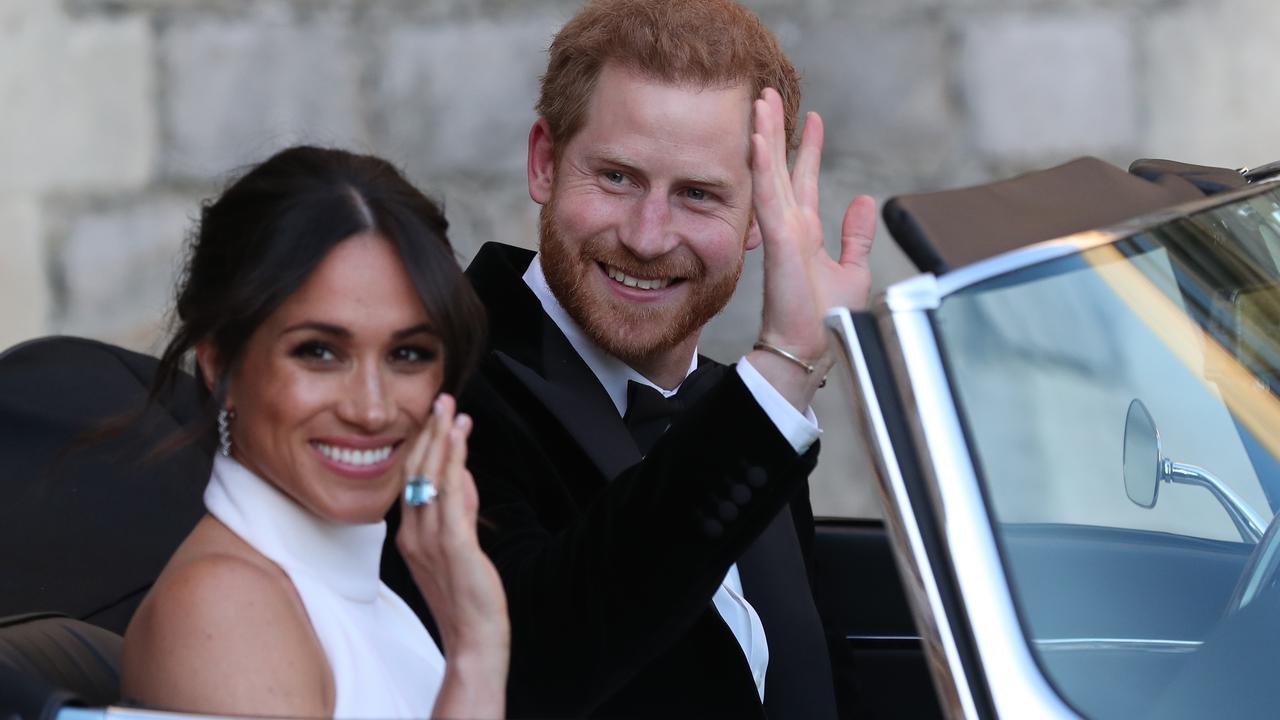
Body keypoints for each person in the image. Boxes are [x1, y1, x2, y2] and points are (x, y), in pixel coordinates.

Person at [381, 1, 877, 717]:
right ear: (545, 163)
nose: (647, 237)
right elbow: (531, 660)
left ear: (755, 222)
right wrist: (785, 369)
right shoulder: (433, 383)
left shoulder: (742, 411)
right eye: (616, 177)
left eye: (699, 195)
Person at [120, 146, 509, 719]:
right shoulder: (224, 609)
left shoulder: (367, 596)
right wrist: (477, 654)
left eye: (408, 353)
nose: (372, 410)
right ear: (219, 362)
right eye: (320, 352)